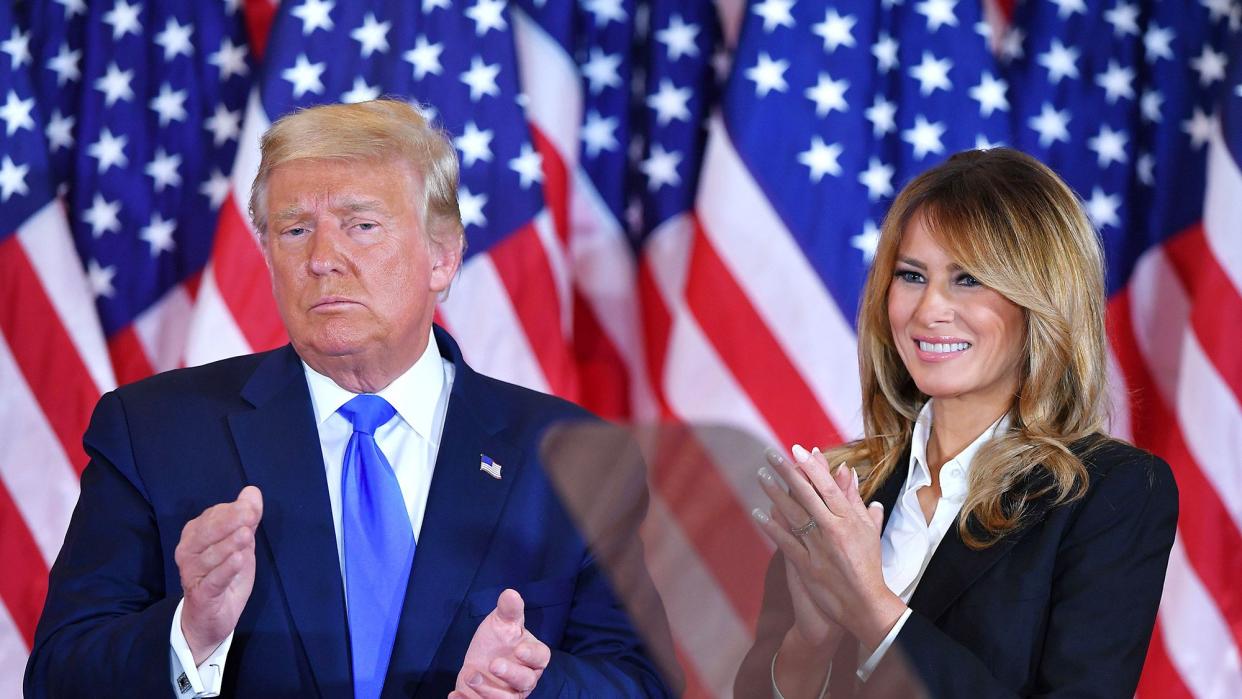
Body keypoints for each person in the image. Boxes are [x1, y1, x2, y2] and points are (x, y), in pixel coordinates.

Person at [25, 99, 673, 699]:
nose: (323, 258)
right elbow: (58, 673)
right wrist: (190, 631)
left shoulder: (571, 457)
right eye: (295, 229)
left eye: (361, 224)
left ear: (442, 257)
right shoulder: (154, 432)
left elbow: (642, 682)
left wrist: (535, 682)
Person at [737, 148, 1178, 698]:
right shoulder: (843, 487)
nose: (928, 310)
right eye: (912, 275)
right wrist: (812, 642)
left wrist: (874, 612)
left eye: (967, 278)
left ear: (1041, 299)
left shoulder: (1111, 492)